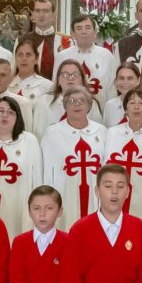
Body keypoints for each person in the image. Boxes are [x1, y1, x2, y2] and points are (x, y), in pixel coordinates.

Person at [0, 96, 42, 239]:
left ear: (18, 118)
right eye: (0, 111)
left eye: (11, 112)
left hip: (17, 207)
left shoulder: (29, 141)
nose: (5, 115)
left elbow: (37, 180)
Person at [41, 87, 107, 230]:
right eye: (71, 101)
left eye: (81, 101)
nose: (76, 104)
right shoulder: (52, 133)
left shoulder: (102, 131)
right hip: (64, 192)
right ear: (65, 106)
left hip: (95, 193)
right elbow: (46, 169)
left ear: (89, 105)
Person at [104, 87, 142, 222]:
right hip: (115, 193)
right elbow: (105, 165)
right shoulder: (112, 132)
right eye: (132, 103)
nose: (136, 107)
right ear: (125, 109)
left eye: (141, 103)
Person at [55, 14, 115, 108]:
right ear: (73, 34)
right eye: (79, 28)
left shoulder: (106, 55)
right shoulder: (62, 56)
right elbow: (56, 87)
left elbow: (112, 89)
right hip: (67, 110)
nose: (83, 32)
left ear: (95, 32)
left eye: (88, 28)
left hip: (99, 111)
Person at [34, 59, 104, 134]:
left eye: (75, 75)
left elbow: (98, 134)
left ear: (82, 80)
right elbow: (38, 134)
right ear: (58, 80)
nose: (70, 78)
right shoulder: (44, 102)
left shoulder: (92, 104)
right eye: (65, 74)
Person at [16, 0, 73, 80]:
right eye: (37, 11)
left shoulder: (66, 41)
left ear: (54, 15)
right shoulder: (22, 40)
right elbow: (14, 70)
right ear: (33, 15)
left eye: (45, 11)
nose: (41, 15)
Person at [103, 62, 142, 128]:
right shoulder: (110, 105)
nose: (125, 82)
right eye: (121, 78)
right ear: (116, 81)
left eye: (130, 78)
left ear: (138, 80)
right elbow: (108, 134)